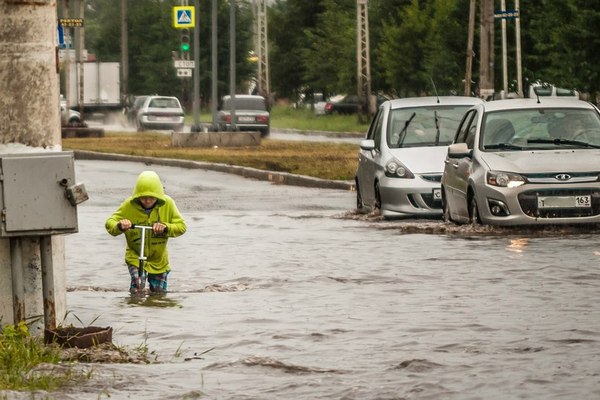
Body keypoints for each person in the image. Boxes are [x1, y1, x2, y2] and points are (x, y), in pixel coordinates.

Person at [105, 171, 186, 294]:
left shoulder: (168, 204)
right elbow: (110, 223)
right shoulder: (129, 205)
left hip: (158, 259)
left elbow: (181, 227)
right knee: (137, 289)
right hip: (135, 256)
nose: (147, 201)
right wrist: (120, 226)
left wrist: (165, 227)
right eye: (143, 197)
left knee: (159, 293)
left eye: (151, 197)